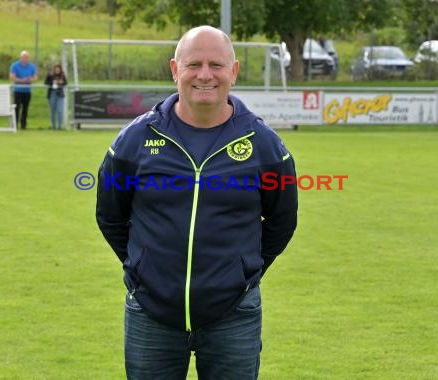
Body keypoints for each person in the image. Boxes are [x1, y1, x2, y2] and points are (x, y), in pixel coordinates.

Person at [96, 25, 298, 380]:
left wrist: (241, 273)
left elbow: (282, 221)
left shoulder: (264, 145)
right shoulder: (136, 140)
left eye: (216, 65)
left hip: (233, 315)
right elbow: (110, 215)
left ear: (233, 72)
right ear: (175, 70)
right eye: (194, 65)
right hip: (151, 314)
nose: (205, 75)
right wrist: (145, 269)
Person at [9, 50, 38, 130]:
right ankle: (14, 125)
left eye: (27, 57)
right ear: (21, 58)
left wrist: (30, 80)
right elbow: (12, 77)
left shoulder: (32, 66)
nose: (25, 59)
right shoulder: (15, 65)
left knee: (25, 108)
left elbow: (35, 77)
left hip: (27, 91)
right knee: (16, 108)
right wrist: (21, 80)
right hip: (18, 90)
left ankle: (23, 125)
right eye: (24, 57)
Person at [44, 64, 68, 130]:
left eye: (58, 69)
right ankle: (53, 126)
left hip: (60, 94)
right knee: (53, 110)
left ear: (60, 69)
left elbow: (66, 83)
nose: (57, 70)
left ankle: (60, 126)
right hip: (52, 93)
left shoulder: (62, 75)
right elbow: (46, 82)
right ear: (54, 69)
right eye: (56, 69)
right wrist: (53, 82)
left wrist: (61, 82)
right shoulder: (50, 75)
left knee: (60, 110)